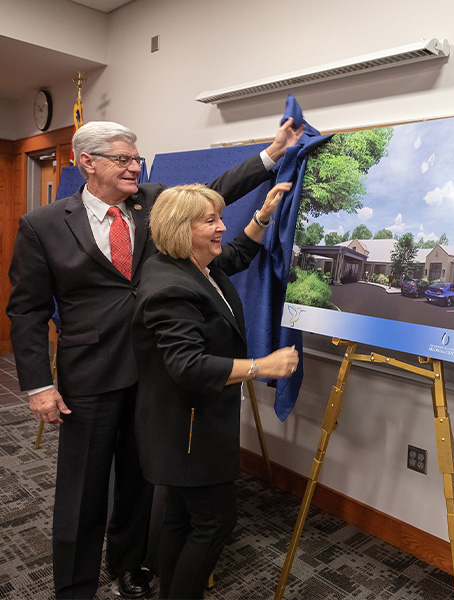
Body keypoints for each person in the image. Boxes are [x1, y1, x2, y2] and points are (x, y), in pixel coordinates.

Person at [6, 119, 303, 599]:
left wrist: (271, 154)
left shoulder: (152, 203)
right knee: (82, 492)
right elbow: (27, 310)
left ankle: (129, 566)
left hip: (157, 374)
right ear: (88, 162)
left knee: (140, 484)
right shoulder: (42, 225)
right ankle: (75, 587)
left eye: (135, 157)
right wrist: (39, 385)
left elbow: (212, 193)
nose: (134, 166)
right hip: (92, 377)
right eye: (123, 158)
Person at [130, 183, 299, 599]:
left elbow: (236, 254)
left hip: (178, 425)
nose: (222, 227)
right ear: (180, 228)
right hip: (186, 433)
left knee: (180, 519)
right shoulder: (172, 287)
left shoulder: (189, 265)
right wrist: (262, 367)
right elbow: (187, 365)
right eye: (211, 221)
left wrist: (261, 217)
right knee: (214, 522)